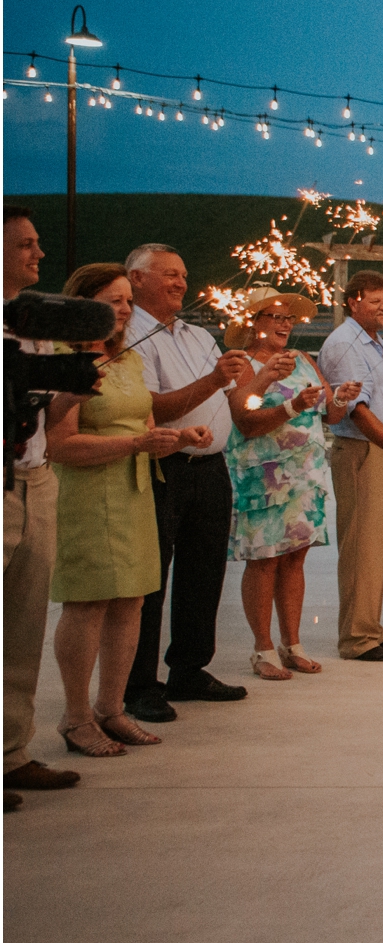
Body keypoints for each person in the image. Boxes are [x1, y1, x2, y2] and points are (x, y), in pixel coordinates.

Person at [46, 265, 208, 757]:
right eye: (112, 300)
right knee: (90, 602)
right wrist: (138, 441)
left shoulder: (127, 359)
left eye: (126, 302)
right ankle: (75, 718)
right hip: (90, 494)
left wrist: (177, 438)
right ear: (82, 305)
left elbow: (143, 423)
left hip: (137, 488)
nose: (123, 309)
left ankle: (111, 708)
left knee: (132, 601)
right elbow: (60, 445)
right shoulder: (61, 359)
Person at [122, 244, 256, 720]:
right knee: (151, 579)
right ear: (136, 279)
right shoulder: (130, 335)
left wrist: (263, 382)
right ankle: (138, 684)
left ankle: (189, 668)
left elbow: (234, 397)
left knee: (203, 574)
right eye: (168, 275)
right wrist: (214, 380)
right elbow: (153, 407)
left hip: (211, 467)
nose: (181, 283)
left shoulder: (199, 335)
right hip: (166, 467)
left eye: (183, 275)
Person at [221, 290, 358, 679]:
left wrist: (342, 400)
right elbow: (246, 422)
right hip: (263, 476)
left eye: (289, 319)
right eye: (275, 316)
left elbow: (328, 415)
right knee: (265, 561)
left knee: (295, 558)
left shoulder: (303, 360)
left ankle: (292, 644)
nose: (285, 324)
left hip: (305, 476)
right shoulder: (243, 365)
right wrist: (292, 405)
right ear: (253, 321)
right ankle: (263, 649)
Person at [3, 207, 78, 807]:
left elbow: (50, 415)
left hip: (36, 479)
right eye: (25, 244)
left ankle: (11, 751)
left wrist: (75, 379)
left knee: (24, 627)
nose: (38, 254)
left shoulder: (38, 327)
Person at [318, 272, 383, 661]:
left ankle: (369, 626)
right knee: (361, 544)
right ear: (353, 302)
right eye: (375, 301)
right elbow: (356, 411)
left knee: (375, 544)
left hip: (380, 452)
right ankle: (356, 638)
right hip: (364, 451)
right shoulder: (344, 345)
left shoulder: (374, 342)